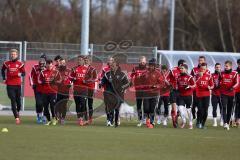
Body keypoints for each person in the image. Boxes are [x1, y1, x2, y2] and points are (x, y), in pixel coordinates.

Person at [100, 57, 130, 127]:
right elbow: (103, 81)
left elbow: (127, 83)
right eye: (111, 66)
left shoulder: (122, 74)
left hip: (118, 94)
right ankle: (109, 120)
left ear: (117, 66)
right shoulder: (107, 74)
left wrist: (123, 88)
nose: (112, 67)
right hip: (109, 93)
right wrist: (101, 84)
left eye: (113, 66)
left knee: (116, 109)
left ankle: (115, 120)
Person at [1, 49, 25, 124]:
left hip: (18, 85)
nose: (13, 55)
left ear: (17, 55)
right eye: (12, 54)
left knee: (18, 103)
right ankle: (17, 118)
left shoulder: (20, 64)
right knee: (13, 100)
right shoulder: (6, 63)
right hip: (10, 85)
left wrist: (19, 74)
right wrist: (4, 78)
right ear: (10, 55)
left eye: (14, 54)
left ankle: (17, 112)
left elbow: (24, 73)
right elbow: (2, 70)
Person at [38, 59, 61, 125]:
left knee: (52, 106)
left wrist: (55, 82)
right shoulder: (42, 72)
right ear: (46, 65)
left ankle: (54, 118)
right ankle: (48, 120)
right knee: (45, 106)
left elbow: (60, 81)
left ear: (52, 65)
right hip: (45, 92)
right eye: (47, 64)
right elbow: (39, 80)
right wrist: (43, 82)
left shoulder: (56, 72)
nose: (49, 66)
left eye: (50, 64)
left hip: (53, 92)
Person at [142, 58, 164, 129]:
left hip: (154, 93)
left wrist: (156, 86)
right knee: (146, 108)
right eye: (150, 65)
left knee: (152, 108)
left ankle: (151, 122)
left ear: (155, 66)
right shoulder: (145, 72)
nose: (151, 67)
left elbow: (161, 83)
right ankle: (147, 118)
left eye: (152, 65)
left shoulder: (158, 73)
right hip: (146, 93)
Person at [219, 60, 238, 130]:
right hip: (223, 93)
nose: (225, 67)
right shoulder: (221, 73)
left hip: (231, 93)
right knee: (224, 107)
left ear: (230, 66)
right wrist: (221, 84)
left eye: (227, 66)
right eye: (225, 66)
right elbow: (219, 81)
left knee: (230, 109)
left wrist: (232, 87)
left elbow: (237, 83)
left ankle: (228, 122)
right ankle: (225, 123)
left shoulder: (235, 73)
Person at [70, 55, 88, 126]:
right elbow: (70, 77)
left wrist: (86, 81)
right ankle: (79, 118)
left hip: (84, 90)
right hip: (76, 90)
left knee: (83, 103)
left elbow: (90, 79)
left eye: (80, 60)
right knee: (78, 104)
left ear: (83, 61)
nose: (79, 61)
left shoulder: (87, 69)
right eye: (78, 60)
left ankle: (82, 117)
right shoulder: (74, 69)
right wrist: (73, 78)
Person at [190, 56, 210, 121]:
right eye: (199, 60)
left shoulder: (208, 71)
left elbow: (209, 81)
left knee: (201, 107)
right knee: (194, 105)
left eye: (201, 60)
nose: (200, 62)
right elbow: (191, 79)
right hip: (195, 90)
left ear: (204, 61)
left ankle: (200, 120)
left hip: (203, 92)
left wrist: (209, 87)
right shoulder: (194, 69)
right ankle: (194, 117)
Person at [130, 56, 148, 127]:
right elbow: (131, 76)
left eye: (143, 62)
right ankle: (140, 120)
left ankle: (145, 118)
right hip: (138, 89)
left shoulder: (148, 69)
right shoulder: (135, 68)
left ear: (145, 62)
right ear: (139, 62)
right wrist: (131, 81)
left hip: (146, 90)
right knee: (139, 105)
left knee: (146, 106)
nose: (142, 63)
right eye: (141, 62)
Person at [176, 64, 195, 129]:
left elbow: (194, 85)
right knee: (180, 109)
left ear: (186, 69)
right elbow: (177, 85)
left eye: (182, 68)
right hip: (181, 96)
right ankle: (184, 121)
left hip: (188, 96)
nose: (181, 69)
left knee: (188, 110)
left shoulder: (190, 77)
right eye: (180, 68)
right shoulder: (178, 77)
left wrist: (189, 86)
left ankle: (190, 123)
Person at [169, 59, 187, 128]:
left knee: (180, 108)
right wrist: (169, 84)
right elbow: (166, 78)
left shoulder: (185, 71)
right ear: (180, 65)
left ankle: (176, 117)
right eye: (184, 64)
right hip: (173, 91)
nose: (185, 66)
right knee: (174, 107)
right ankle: (174, 120)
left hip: (181, 91)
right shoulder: (173, 70)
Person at [195, 63, 214, 129]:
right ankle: (198, 122)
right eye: (202, 69)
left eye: (204, 69)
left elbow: (212, 85)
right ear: (200, 68)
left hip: (206, 95)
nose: (203, 70)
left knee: (205, 110)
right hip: (199, 95)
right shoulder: (197, 75)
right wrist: (199, 77)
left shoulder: (209, 75)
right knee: (200, 109)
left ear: (206, 69)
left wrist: (210, 87)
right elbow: (194, 83)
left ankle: (203, 123)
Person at [29, 55, 46, 123]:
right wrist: (32, 84)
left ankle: (44, 116)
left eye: (43, 60)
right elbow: (30, 75)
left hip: (46, 89)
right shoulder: (35, 67)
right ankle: (39, 115)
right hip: (37, 88)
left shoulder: (48, 67)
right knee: (39, 103)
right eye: (40, 60)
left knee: (45, 103)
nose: (42, 62)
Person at [55, 58, 72, 125]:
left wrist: (69, 83)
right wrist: (58, 82)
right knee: (58, 105)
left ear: (65, 63)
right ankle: (58, 116)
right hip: (58, 91)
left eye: (63, 63)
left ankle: (63, 118)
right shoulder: (57, 70)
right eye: (61, 63)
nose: (62, 64)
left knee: (64, 105)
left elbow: (71, 79)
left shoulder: (69, 70)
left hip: (66, 91)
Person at [84, 55, 97, 124]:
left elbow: (96, 79)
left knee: (90, 103)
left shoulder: (93, 69)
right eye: (85, 60)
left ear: (90, 62)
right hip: (83, 88)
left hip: (90, 88)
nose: (86, 61)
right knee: (84, 103)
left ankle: (90, 118)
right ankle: (86, 118)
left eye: (87, 60)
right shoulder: (81, 68)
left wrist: (95, 89)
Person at [211, 63, 223, 127]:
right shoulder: (212, 75)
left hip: (221, 94)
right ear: (215, 68)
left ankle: (221, 120)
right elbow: (210, 83)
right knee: (214, 108)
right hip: (214, 94)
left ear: (220, 68)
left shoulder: (222, 75)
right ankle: (215, 122)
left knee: (222, 108)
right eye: (216, 67)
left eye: (219, 67)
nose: (217, 68)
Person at [234, 59, 240, 127]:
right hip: (235, 91)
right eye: (239, 64)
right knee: (235, 105)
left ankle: (238, 119)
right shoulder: (235, 72)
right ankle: (235, 119)